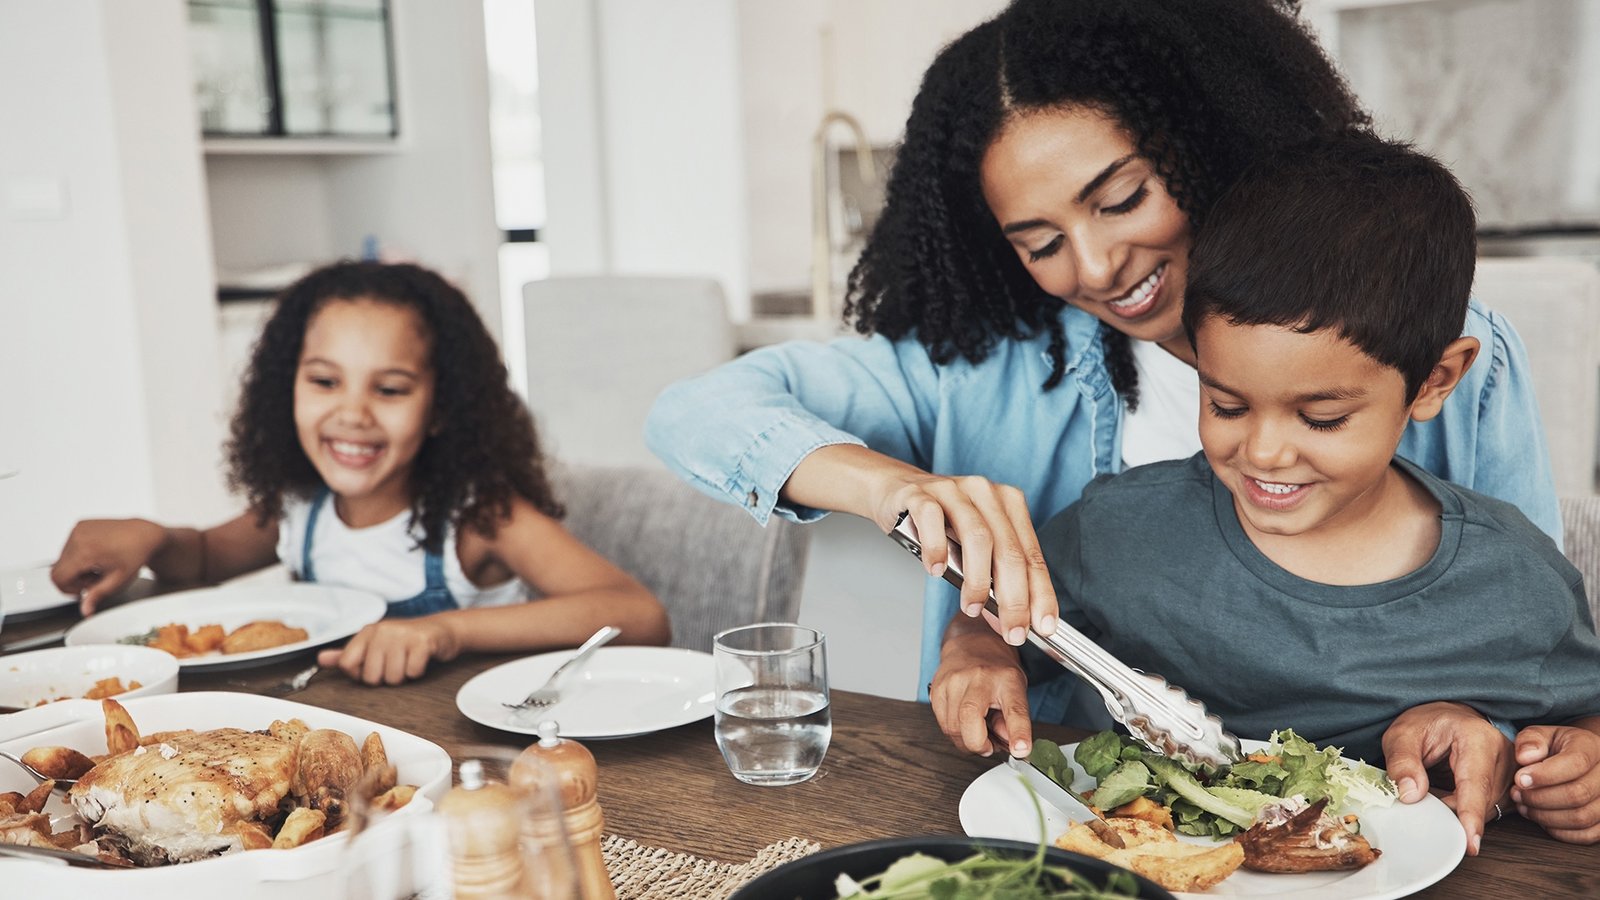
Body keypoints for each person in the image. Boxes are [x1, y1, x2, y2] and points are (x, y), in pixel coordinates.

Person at [644, 0, 1560, 733]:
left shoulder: (1430, 341)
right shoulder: (983, 365)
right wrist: (897, 491)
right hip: (1075, 812)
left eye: (1121, 199)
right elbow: (696, 411)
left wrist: (1480, 725)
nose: (1093, 267)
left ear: (1204, 141)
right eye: (1039, 242)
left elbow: (1525, 646)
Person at [938, 133, 1600, 854]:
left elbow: (1583, 719)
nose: (1263, 453)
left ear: (1436, 381)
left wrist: (1579, 771)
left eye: (1321, 417)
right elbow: (1007, 619)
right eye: (1226, 404)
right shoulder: (1122, 528)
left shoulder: (1514, 583)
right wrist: (979, 653)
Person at [52, 261, 671, 684]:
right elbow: (209, 557)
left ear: (440, 408)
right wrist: (154, 538)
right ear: (285, 386)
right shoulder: (301, 505)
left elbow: (637, 614)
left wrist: (445, 631)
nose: (352, 414)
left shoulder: (481, 517)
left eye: (391, 389)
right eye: (325, 381)